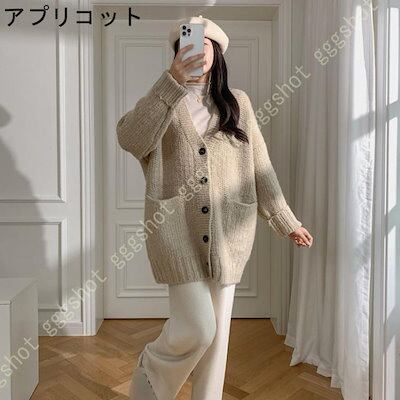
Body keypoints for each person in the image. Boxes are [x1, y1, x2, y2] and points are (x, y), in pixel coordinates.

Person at [116, 15, 313, 400]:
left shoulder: (237, 103)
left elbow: (259, 166)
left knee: (217, 336)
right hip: (175, 231)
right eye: (186, 44)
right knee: (197, 328)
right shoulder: (163, 100)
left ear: (217, 53)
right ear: (177, 53)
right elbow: (130, 138)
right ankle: (150, 374)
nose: (195, 49)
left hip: (229, 230)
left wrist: (284, 219)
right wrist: (170, 83)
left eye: (203, 43)